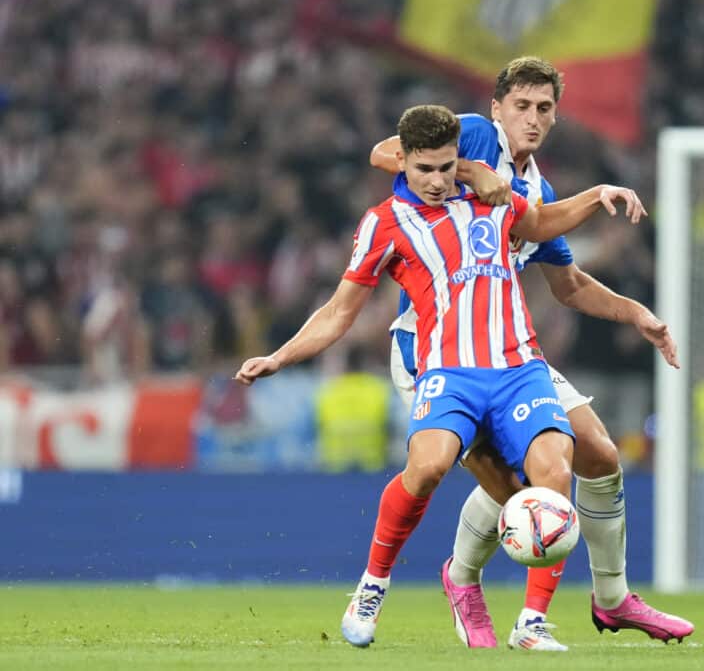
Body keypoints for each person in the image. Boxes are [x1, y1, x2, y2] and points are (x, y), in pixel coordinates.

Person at [233, 104, 647, 649]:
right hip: (449, 372)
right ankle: (372, 585)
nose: (436, 180)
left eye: (447, 167)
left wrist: (598, 195)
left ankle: (532, 624)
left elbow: (543, 225)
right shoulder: (383, 224)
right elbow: (338, 312)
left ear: (460, 160)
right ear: (401, 161)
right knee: (427, 468)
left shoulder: (492, 198)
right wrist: (279, 357)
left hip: (518, 367)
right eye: (424, 169)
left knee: (555, 470)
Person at [370, 57, 694, 649]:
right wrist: (469, 172)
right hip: (434, 349)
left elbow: (568, 285)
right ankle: (463, 579)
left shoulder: (537, 191)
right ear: (497, 108)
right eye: (521, 105)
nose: (533, 118)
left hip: (507, 349)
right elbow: (385, 152)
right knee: (518, 490)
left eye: (544, 108)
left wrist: (638, 313)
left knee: (597, 454)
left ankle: (613, 598)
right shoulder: (470, 133)